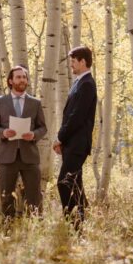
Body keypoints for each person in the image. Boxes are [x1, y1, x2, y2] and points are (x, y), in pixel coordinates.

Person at [0, 65, 48, 217]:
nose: (22, 80)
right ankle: (8, 227)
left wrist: (34, 135)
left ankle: (34, 226)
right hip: (7, 156)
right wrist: (3, 133)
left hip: (30, 156)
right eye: (18, 77)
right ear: (10, 81)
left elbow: (43, 128)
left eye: (24, 77)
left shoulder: (35, 103)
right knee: (6, 195)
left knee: (34, 195)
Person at [53, 46, 97, 228]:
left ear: (83, 62)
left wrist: (60, 137)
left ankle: (74, 224)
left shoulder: (87, 84)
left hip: (78, 143)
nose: (71, 64)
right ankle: (81, 221)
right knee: (75, 183)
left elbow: (76, 116)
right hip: (72, 143)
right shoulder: (79, 82)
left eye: (73, 61)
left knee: (65, 182)